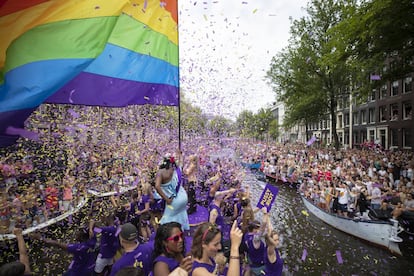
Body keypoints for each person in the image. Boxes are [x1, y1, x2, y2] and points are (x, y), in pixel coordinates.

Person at [31, 220, 97, 275]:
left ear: (82, 237)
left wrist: (40, 238)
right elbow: (92, 221)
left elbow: (57, 244)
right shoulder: (93, 239)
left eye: (78, 233)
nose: (76, 234)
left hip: (78, 271)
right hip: (91, 266)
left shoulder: (78, 248)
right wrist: (91, 229)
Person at [155, 153, 189, 231]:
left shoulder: (161, 172)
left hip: (173, 201)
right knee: (179, 216)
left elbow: (157, 186)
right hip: (183, 197)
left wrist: (166, 199)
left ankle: (170, 235)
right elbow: (181, 162)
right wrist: (180, 154)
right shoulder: (176, 169)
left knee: (167, 222)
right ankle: (180, 231)